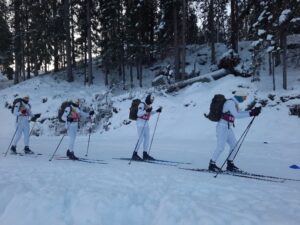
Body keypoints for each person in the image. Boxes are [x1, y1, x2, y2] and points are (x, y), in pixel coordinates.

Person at [208, 88, 261, 172]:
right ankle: (212, 165)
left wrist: (252, 111)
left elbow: (239, 113)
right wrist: (251, 113)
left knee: (234, 146)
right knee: (221, 147)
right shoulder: (230, 103)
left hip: (228, 127)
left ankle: (230, 165)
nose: (245, 98)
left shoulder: (234, 103)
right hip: (222, 127)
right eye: (244, 97)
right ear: (239, 96)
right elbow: (236, 115)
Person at [131, 94, 162, 161]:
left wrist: (157, 111)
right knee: (141, 139)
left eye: (152, 100)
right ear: (148, 99)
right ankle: (134, 154)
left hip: (145, 124)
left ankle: (145, 154)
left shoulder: (148, 106)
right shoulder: (142, 104)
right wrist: (146, 111)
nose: (152, 101)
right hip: (140, 124)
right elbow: (139, 114)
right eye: (151, 100)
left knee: (147, 138)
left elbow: (149, 113)